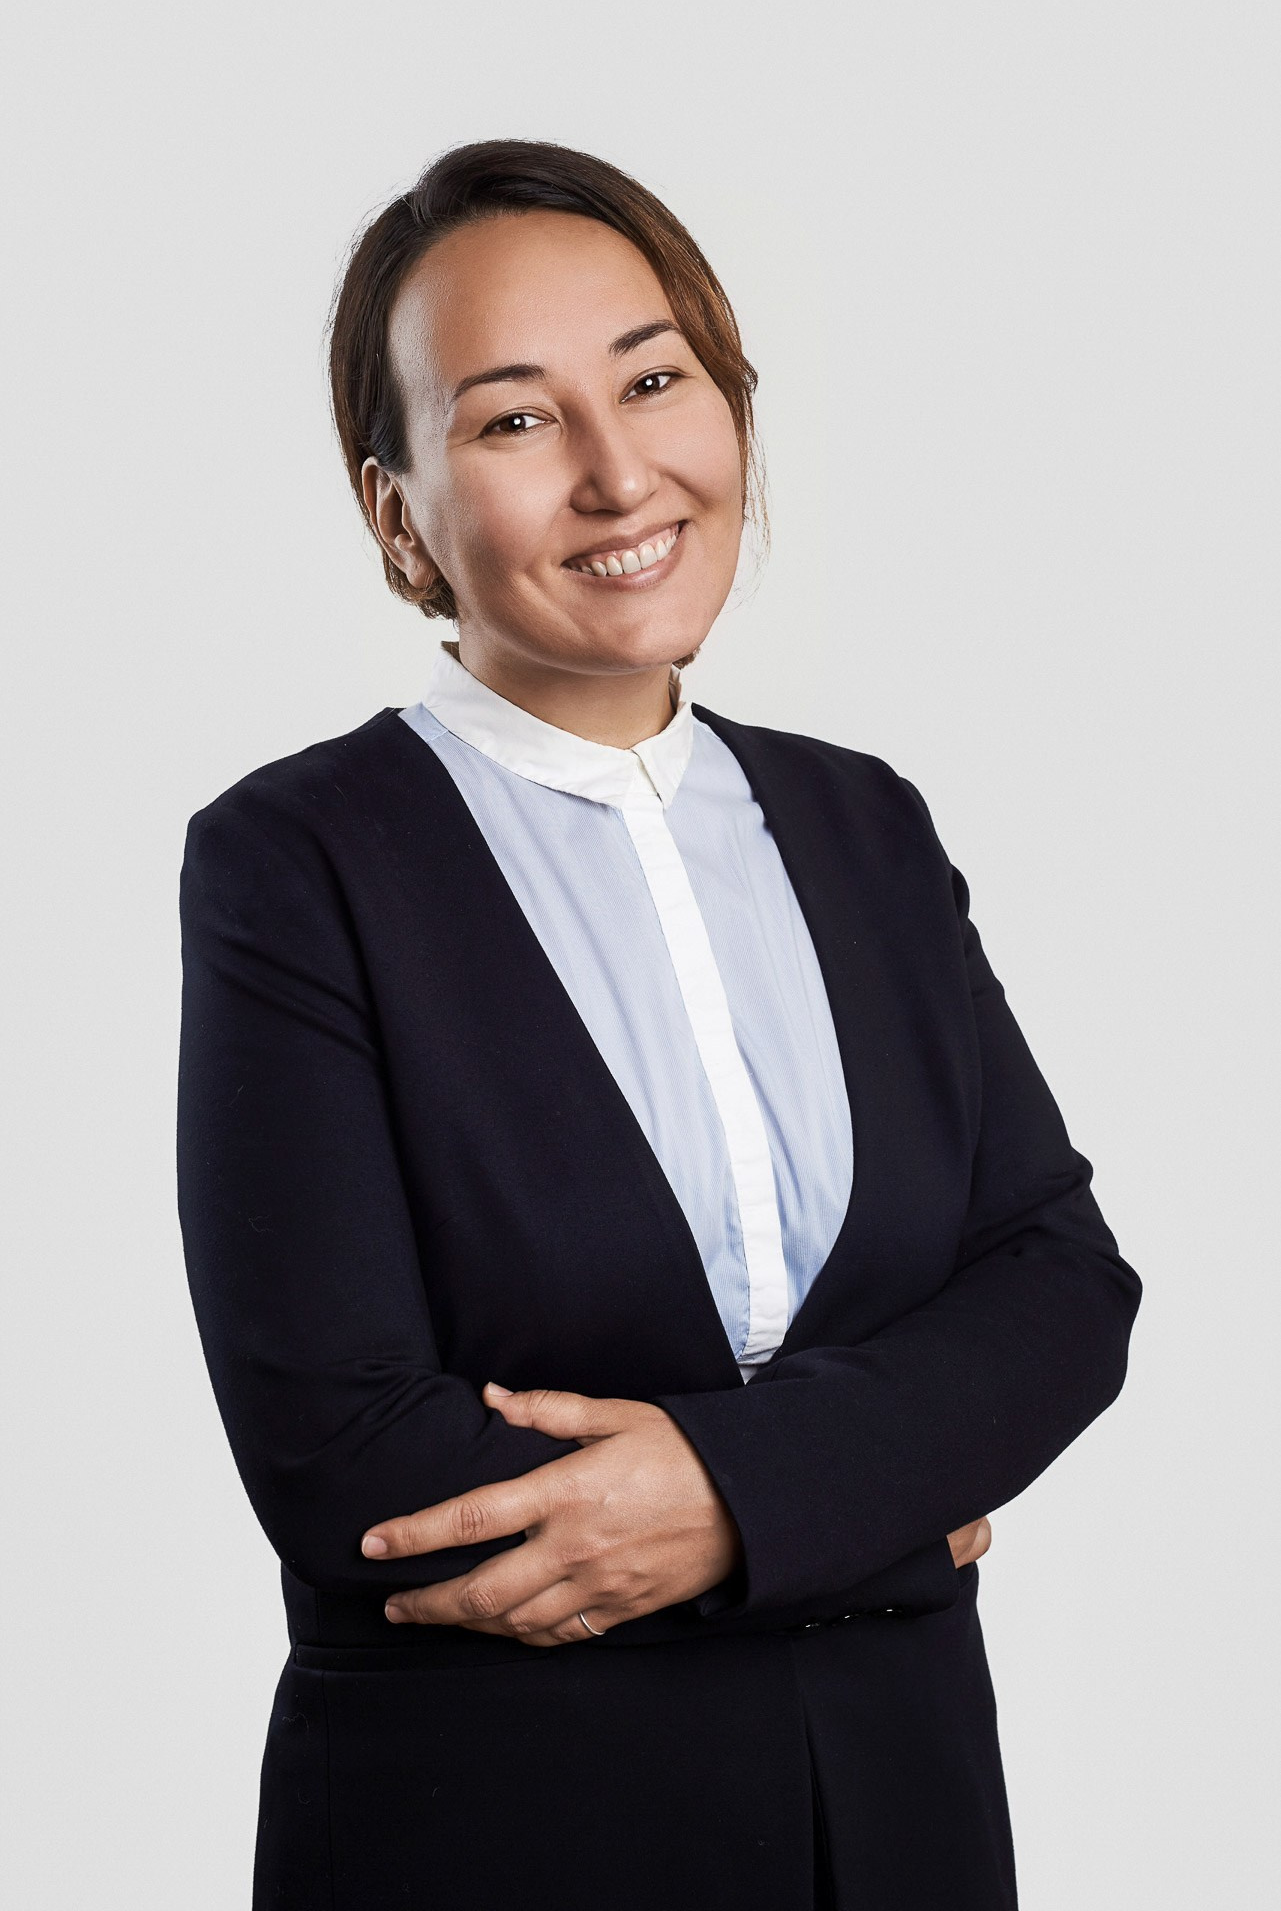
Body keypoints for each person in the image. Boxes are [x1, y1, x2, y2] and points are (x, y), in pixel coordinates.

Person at [176, 139, 1142, 1910]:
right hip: (497, 1836)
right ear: (401, 513)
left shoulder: (865, 824)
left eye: (653, 378)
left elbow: (1059, 1289)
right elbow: (346, 1457)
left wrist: (750, 1490)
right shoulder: (298, 860)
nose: (623, 473)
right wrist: (874, 1491)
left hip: (903, 1815)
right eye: (513, 421)